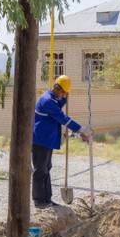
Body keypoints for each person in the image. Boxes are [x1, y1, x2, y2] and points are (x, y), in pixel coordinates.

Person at [33, 75, 92, 208]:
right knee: (40, 170)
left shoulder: (51, 96)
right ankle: (39, 200)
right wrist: (81, 129)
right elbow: (62, 117)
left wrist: (65, 97)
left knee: (46, 168)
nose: (64, 95)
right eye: (64, 93)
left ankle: (47, 199)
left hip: (46, 139)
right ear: (57, 89)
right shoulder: (48, 101)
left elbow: (58, 103)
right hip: (40, 140)